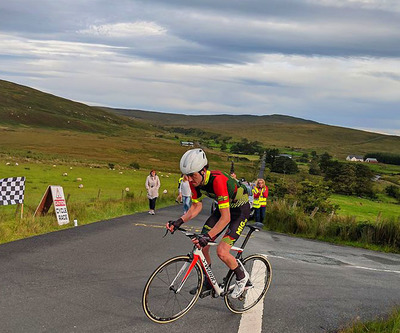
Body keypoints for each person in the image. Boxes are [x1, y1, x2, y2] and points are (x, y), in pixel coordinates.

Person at [166, 149, 251, 299]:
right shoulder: (194, 182)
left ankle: (242, 278)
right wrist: (179, 221)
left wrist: (208, 236)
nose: (190, 179)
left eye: (192, 175)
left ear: (204, 170)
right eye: (187, 176)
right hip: (224, 207)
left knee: (222, 251)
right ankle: (208, 283)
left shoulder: (218, 181)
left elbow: (226, 218)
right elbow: (195, 206)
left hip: (239, 210)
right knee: (202, 245)